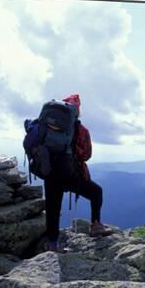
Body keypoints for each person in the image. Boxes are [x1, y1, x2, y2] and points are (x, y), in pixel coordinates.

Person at [43, 94, 112, 253]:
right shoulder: (81, 130)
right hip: (70, 173)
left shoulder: (47, 125)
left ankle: (52, 244)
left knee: (53, 206)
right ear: (77, 111)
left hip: (49, 171)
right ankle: (95, 225)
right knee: (96, 192)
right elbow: (86, 154)